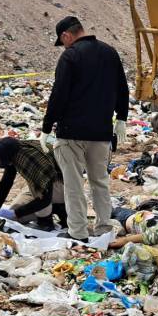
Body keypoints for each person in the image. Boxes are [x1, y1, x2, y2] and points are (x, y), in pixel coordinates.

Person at [40, 16, 129, 242]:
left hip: (72, 133)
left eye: (63, 41)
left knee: (74, 185)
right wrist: (122, 118)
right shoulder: (110, 52)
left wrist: (47, 127)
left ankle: (78, 232)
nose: (64, 45)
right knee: (100, 181)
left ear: (66, 36)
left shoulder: (70, 56)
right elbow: (122, 87)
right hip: (101, 132)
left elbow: (59, 95)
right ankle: (103, 227)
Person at [0, 137, 67, 232]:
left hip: (62, 186)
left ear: (12, 157)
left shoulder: (33, 161)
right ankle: (50, 209)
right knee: (15, 214)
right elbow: (5, 183)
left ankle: (48, 218)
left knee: (21, 211)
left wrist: (16, 213)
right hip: (44, 186)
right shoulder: (17, 153)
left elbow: (44, 199)